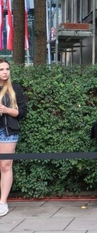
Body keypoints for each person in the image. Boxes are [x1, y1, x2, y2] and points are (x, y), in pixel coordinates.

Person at [0, 59, 28, 217]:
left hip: (8, 131)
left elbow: (22, 113)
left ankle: (3, 202)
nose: (5, 72)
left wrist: (6, 110)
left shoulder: (15, 89)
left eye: (7, 69)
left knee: (5, 165)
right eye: (1, 69)